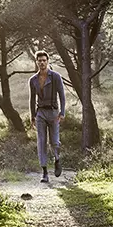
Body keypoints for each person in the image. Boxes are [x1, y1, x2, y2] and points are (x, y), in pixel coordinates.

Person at [28, 50, 66, 182]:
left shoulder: (55, 77)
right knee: (41, 142)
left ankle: (57, 160)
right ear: (36, 62)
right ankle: (44, 172)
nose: (42, 63)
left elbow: (62, 95)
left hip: (54, 112)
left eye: (44, 60)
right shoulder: (33, 80)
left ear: (47, 61)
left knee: (55, 142)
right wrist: (32, 116)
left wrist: (62, 113)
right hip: (40, 113)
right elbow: (32, 99)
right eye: (39, 61)